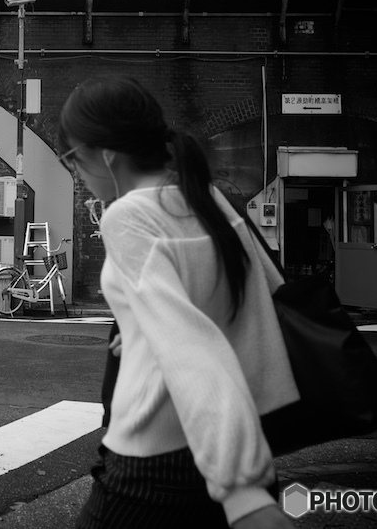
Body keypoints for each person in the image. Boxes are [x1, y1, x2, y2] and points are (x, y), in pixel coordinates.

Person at [57, 77, 298, 529]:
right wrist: (147, 331)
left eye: (73, 159)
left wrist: (242, 491)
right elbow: (260, 295)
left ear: (106, 155)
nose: (77, 174)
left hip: (158, 459)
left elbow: (191, 347)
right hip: (235, 440)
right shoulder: (206, 197)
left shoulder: (128, 215)